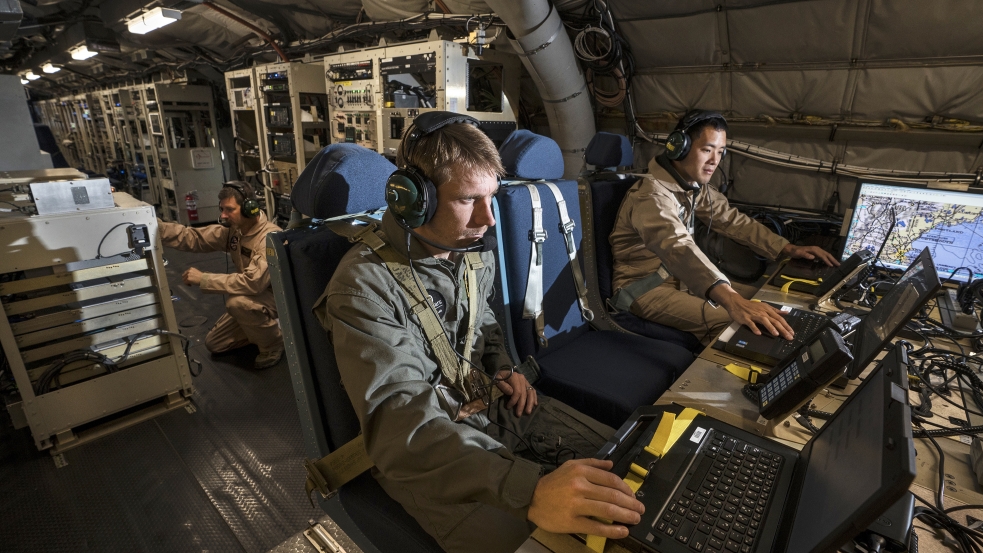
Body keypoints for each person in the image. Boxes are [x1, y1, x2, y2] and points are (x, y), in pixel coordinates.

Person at [314, 114, 644, 553]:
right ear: (415, 201)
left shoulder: (467, 251)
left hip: (490, 405)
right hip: (424, 450)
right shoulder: (362, 287)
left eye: (492, 197)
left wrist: (504, 367)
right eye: (470, 200)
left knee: (625, 474)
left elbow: (484, 326)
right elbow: (401, 420)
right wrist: (530, 491)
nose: (489, 218)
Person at [609, 110, 838, 343]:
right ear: (680, 148)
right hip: (644, 290)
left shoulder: (691, 187)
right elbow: (678, 247)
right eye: (707, 150)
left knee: (776, 304)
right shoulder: (651, 197)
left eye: (720, 152)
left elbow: (731, 220)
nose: (714, 160)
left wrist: (786, 248)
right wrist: (732, 300)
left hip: (683, 281)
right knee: (740, 322)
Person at [158, 181, 285, 369]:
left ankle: (274, 343)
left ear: (250, 209)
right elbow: (193, 237)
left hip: (277, 298)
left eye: (229, 209)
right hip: (254, 295)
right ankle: (259, 329)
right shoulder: (236, 231)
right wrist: (155, 228)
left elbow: (253, 283)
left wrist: (204, 279)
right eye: (222, 209)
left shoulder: (268, 238)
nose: (223, 215)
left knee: (237, 303)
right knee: (215, 343)